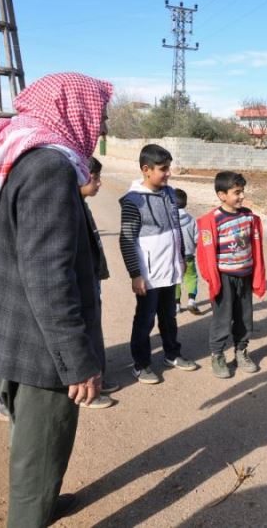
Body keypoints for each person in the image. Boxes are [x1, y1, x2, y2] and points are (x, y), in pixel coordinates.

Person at [0, 72, 111, 527]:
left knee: (29, 443)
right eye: (99, 113)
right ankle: (32, 511)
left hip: (13, 329)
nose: (102, 125)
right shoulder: (49, 167)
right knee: (42, 447)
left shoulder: (9, 148)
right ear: (73, 110)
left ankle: (42, 501)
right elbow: (48, 276)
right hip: (41, 345)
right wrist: (78, 359)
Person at [119, 144, 198, 385]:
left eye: (169, 168)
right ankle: (141, 364)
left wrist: (182, 258)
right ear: (146, 169)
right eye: (163, 169)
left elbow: (176, 230)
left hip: (171, 268)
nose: (168, 173)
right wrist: (135, 274)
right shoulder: (134, 201)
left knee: (169, 316)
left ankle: (172, 353)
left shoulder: (170, 193)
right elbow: (126, 239)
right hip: (149, 274)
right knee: (145, 319)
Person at [196, 171, 266, 379]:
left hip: (244, 275)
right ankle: (217, 354)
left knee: (244, 317)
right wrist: (212, 278)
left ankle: (241, 351)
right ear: (221, 195)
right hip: (225, 277)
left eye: (242, 191)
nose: (242, 196)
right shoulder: (212, 220)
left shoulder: (248, 217)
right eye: (237, 192)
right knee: (222, 318)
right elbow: (204, 253)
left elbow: (255, 246)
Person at [78, 157, 119, 409]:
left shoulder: (82, 206)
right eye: (94, 178)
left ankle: (97, 378)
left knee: (94, 327)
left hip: (91, 279)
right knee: (84, 331)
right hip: (81, 284)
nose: (99, 183)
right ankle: (86, 391)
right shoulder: (69, 208)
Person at [174, 188, 202, 315]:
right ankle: (191, 301)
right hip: (189, 255)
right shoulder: (191, 219)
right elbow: (197, 238)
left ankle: (176, 305)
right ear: (185, 203)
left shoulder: (169, 219)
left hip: (173, 256)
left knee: (176, 279)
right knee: (191, 277)